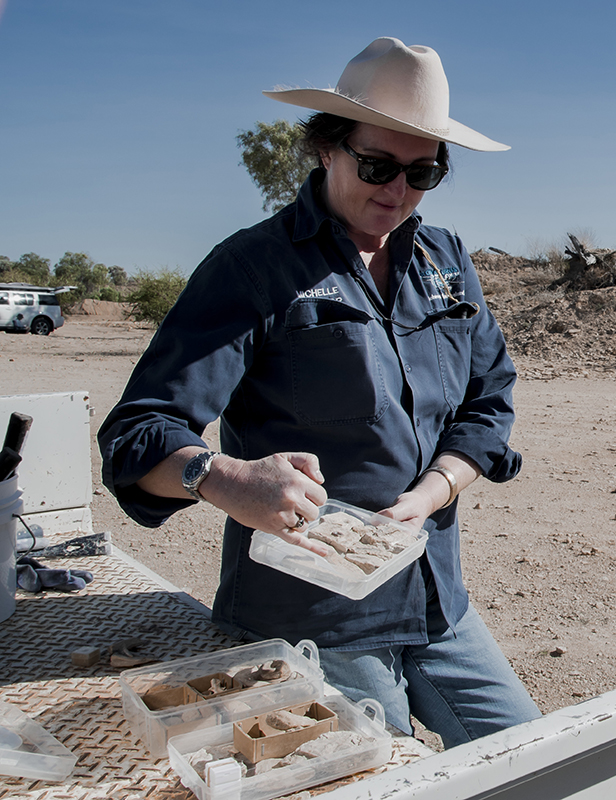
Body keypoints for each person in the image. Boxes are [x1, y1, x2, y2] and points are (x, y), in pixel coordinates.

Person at [98, 37, 540, 747]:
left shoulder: (446, 262)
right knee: (383, 783)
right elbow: (138, 431)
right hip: (313, 623)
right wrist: (224, 477)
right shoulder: (252, 269)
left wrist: (431, 495)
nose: (396, 191)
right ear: (326, 148)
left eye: (423, 171)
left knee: (538, 762)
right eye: (377, 166)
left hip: (437, 603)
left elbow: (490, 400)